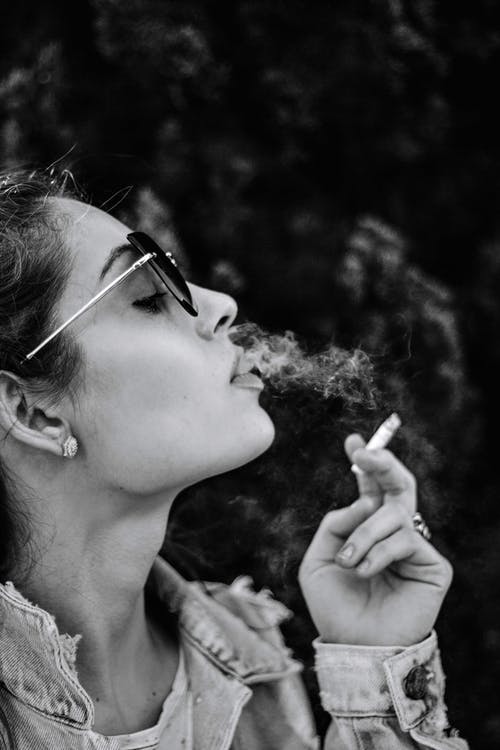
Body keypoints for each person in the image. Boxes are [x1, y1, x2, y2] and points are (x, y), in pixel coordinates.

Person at [0, 170, 468, 749]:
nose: (221, 304)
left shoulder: (257, 658)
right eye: (147, 300)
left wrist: (376, 670)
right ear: (32, 413)